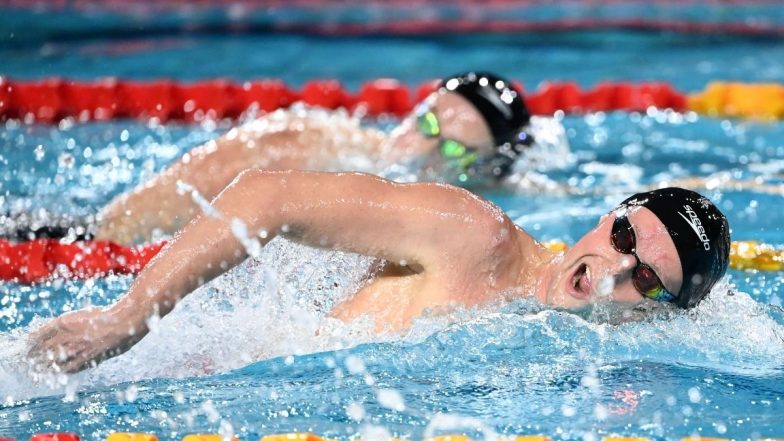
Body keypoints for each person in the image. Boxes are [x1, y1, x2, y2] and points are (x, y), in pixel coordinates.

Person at [27, 171, 730, 373]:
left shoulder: (599, 368)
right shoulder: (475, 238)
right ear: (609, 214)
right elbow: (268, 196)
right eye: (624, 235)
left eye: (646, 280)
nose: (611, 269)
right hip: (178, 372)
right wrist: (124, 320)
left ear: (662, 312)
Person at [3, 71, 568, 245]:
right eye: (426, 122)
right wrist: (113, 238)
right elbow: (131, 220)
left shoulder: (484, 198)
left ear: (484, 167)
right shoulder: (314, 140)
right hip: (83, 236)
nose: (420, 145)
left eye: (449, 147)